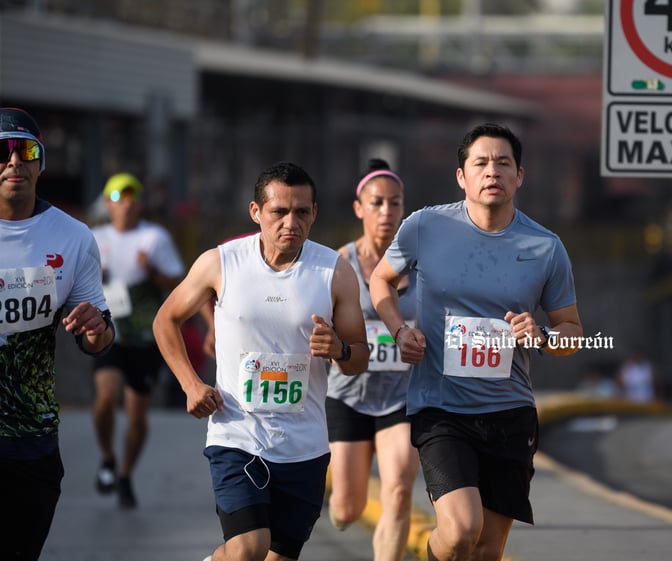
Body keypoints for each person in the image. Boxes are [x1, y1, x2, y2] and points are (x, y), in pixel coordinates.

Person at [369, 123, 583, 561]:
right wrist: (399, 329)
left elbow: (573, 333)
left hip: (510, 412)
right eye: (481, 163)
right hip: (441, 408)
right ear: (461, 176)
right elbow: (381, 281)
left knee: (487, 549)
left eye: (503, 163)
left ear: (519, 176)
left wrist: (541, 335)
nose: (492, 172)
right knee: (462, 528)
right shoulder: (424, 226)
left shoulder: (546, 247)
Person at [152, 161, 370, 561]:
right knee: (247, 548)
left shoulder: (334, 272)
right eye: (279, 212)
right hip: (237, 435)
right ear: (256, 213)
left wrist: (339, 349)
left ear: (314, 213)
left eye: (302, 212)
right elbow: (166, 319)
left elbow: (359, 357)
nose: (291, 222)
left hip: (304, 446)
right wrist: (190, 384)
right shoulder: (221, 262)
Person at [0, 107, 114, 561]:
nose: (14, 161)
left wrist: (95, 329)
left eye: (26, 150)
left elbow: (97, 334)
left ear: (40, 162)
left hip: (29, 429)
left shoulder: (72, 237)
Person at [325, 159, 419, 561]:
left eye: (394, 203)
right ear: (359, 208)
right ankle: (344, 502)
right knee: (347, 510)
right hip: (347, 394)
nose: (386, 212)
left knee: (399, 489)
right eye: (377, 202)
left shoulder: (421, 264)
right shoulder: (336, 264)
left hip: (403, 397)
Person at [90, 172, 185, 508]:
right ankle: (106, 457)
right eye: (119, 197)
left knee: (137, 416)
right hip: (108, 333)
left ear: (140, 203)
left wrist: (152, 271)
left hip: (144, 337)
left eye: (132, 197)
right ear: (108, 204)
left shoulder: (154, 237)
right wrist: (93, 276)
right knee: (105, 398)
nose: (126, 204)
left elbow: (178, 282)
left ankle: (126, 473)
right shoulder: (94, 237)